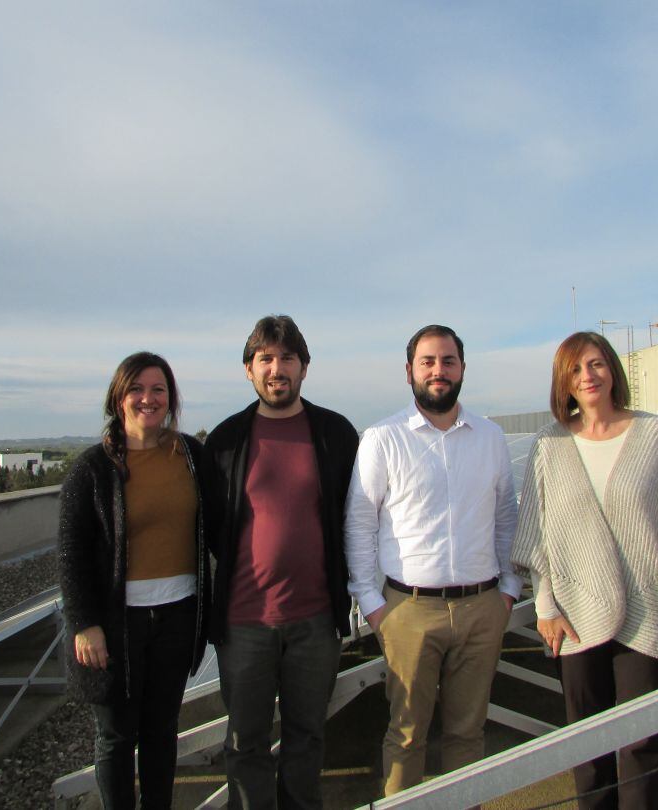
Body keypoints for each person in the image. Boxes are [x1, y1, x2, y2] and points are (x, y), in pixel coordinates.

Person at [510, 331, 658, 810]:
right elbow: (539, 536)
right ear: (564, 381)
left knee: (643, 744)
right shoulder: (549, 444)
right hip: (575, 613)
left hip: (650, 608)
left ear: (613, 372)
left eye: (597, 364)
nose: (588, 376)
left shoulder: (653, 433)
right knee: (588, 742)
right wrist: (544, 605)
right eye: (577, 368)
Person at [344, 324, 520, 796]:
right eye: (428, 361)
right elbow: (360, 524)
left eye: (448, 361)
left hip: (482, 608)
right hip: (408, 612)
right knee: (405, 735)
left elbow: (506, 518)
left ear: (462, 368)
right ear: (409, 372)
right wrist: (370, 601)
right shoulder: (382, 438)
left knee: (468, 735)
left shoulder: (490, 437)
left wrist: (507, 590)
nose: (438, 370)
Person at [207, 315, 359, 810]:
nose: (277, 369)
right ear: (248, 369)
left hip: (315, 621)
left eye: (287, 358)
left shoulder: (335, 434)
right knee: (245, 742)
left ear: (305, 368)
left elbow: (354, 516)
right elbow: (211, 528)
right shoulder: (226, 441)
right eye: (266, 359)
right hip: (244, 622)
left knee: (307, 736)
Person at [58, 351, 218, 810]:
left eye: (158, 390)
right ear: (118, 397)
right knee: (116, 735)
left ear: (171, 399)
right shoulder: (92, 469)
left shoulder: (190, 455)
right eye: (137, 389)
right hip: (116, 622)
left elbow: (222, 521)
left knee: (160, 731)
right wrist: (84, 623)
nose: (148, 399)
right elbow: (72, 552)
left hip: (178, 615)